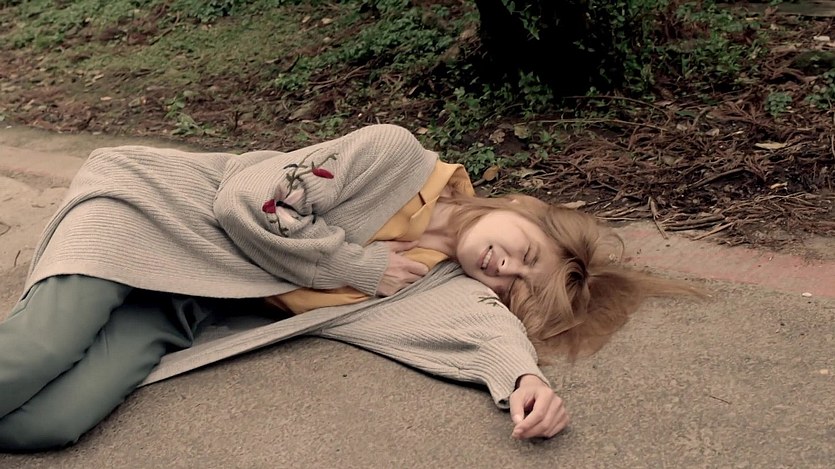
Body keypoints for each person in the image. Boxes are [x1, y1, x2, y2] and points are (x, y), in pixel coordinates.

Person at [0, 124, 694, 451]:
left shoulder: (435, 278)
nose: (506, 267)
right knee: (36, 354)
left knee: (47, 423)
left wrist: (523, 381)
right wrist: (357, 267)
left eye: (518, 283)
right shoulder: (395, 155)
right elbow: (249, 200)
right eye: (527, 253)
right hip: (145, 221)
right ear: (522, 209)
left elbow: (480, 324)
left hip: (183, 302)